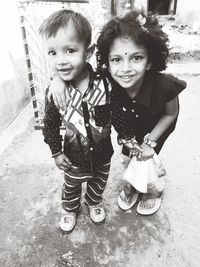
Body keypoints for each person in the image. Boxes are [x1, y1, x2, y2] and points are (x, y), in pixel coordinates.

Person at [49, 10, 187, 215]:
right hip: (127, 127)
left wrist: (150, 143)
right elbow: (79, 70)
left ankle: (151, 190)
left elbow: (170, 114)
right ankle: (132, 184)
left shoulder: (164, 86)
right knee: (128, 158)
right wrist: (58, 79)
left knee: (147, 158)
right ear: (107, 60)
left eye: (136, 58)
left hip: (156, 127)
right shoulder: (107, 80)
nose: (125, 69)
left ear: (150, 60)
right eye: (116, 60)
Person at [39, 9, 114, 233]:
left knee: (98, 182)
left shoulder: (105, 82)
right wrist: (56, 151)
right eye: (52, 53)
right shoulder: (55, 93)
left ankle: (93, 201)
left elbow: (119, 112)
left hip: (102, 153)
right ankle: (70, 208)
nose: (60, 61)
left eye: (70, 50)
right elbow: (50, 124)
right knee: (71, 185)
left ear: (88, 52)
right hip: (73, 155)